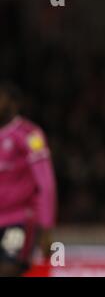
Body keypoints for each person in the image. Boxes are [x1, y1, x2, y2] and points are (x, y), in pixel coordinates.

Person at [0, 82, 57, 276]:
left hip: (18, 219)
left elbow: (45, 184)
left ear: (13, 103)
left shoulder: (29, 135)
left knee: (8, 270)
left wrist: (46, 226)